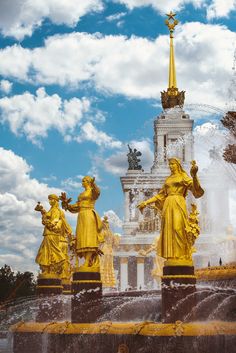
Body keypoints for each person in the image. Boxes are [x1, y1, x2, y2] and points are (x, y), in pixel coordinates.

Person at [137, 158, 204, 262]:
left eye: (173, 164)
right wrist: (145, 203)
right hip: (168, 205)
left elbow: (196, 190)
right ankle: (172, 256)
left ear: (178, 165)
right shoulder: (168, 179)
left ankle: (182, 255)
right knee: (169, 230)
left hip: (178, 202)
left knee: (179, 228)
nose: (170, 166)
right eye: (169, 164)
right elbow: (160, 196)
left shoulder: (184, 176)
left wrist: (194, 176)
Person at [61, 176, 104, 270]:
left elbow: (97, 193)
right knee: (81, 238)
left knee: (89, 239)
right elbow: (76, 206)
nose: (82, 182)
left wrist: (94, 185)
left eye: (84, 180)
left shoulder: (92, 192)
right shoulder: (81, 194)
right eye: (82, 181)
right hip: (81, 216)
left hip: (89, 215)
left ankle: (88, 261)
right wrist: (66, 203)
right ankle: (89, 262)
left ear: (88, 182)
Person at [35, 194, 70, 277]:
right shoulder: (51, 210)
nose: (50, 201)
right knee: (45, 252)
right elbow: (47, 219)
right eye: (49, 200)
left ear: (56, 201)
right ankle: (47, 270)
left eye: (51, 199)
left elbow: (54, 223)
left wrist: (45, 217)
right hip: (48, 233)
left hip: (52, 233)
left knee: (52, 251)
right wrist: (42, 211)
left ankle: (52, 270)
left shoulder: (56, 211)